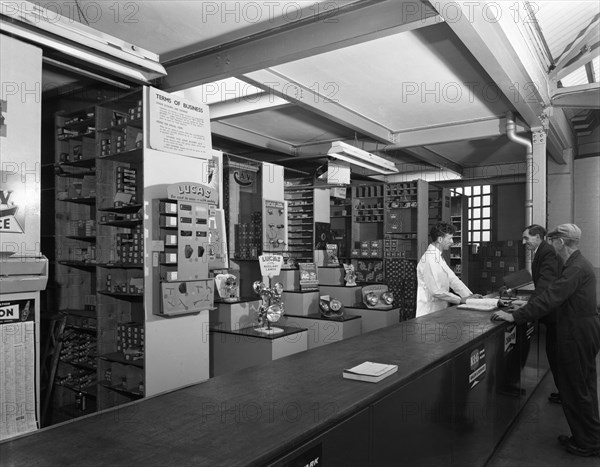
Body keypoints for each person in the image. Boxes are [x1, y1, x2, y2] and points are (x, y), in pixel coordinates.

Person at [492, 223, 600, 457]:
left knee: (575, 388)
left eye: (552, 240)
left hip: (575, 332)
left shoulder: (575, 269)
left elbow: (551, 296)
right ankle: (588, 436)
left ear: (560, 242)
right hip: (581, 329)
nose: (550, 245)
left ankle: (589, 442)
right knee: (583, 386)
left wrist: (515, 315)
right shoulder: (577, 264)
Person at [522, 224, 562, 404]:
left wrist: (526, 310)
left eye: (526, 238)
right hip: (552, 315)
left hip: (556, 316)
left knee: (557, 354)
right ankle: (564, 392)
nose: (524, 242)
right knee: (553, 353)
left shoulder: (547, 252)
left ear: (538, 237)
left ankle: (566, 394)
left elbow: (545, 286)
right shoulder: (541, 251)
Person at [416, 221, 480, 317]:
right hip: (428, 313)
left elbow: (453, 279)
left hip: (439, 311)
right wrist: (460, 299)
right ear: (440, 239)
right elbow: (436, 291)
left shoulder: (438, 257)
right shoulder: (429, 259)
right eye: (450, 238)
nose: (452, 242)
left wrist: (469, 296)